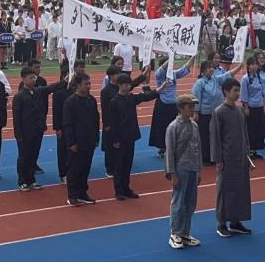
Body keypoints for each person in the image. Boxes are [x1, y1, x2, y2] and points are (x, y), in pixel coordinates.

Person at [107, 73, 166, 200]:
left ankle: (126, 188)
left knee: (128, 164)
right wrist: (115, 140)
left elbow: (144, 97)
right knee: (119, 165)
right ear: (119, 85)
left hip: (130, 136)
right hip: (119, 138)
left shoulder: (131, 98)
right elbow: (113, 123)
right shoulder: (114, 102)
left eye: (129, 84)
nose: (127, 86)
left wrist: (158, 90)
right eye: (125, 84)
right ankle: (118, 190)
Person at [210, 77, 253, 238]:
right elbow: (215, 137)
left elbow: (245, 134)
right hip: (227, 159)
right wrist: (218, 159)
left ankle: (236, 221)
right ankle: (221, 224)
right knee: (225, 191)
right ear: (226, 92)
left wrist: (247, 152)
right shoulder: (219, 112)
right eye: (235, 90)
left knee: (241, 190)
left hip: (240, 157)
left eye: (238, 90)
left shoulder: (240, 110)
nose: (237, 93)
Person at [12, 66, 65, 191]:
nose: (33, 80)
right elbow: (16, 118)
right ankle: (22, 181)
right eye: (30, 77)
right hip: (25, 132)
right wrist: (18, 135)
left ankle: (31, 180)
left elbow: (51, 88)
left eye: (34, 77)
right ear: (23, 79)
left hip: (38, 130)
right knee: (24, 157)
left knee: (34, 156)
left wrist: (65, 81)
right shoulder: (19, 96)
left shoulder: (38, 91)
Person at [191, 55, 242, 166]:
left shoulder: (215, 79)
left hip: (217, 112)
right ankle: (205, 157)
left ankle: (215, 156)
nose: (211, 69)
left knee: (216, 135)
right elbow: (196, 98)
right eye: (208, 68)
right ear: (203, 70)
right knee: (205, 136)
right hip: (205, 114)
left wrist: (239, 67)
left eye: (212, 67)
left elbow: (227, 75)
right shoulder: (200, 83)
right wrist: (196, 112)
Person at [165, 93, 201, 249]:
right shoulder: (173, 127)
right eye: (189, 107)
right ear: (180, 109)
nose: (192, 109)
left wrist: (199, 169)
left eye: (193, 106)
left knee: (190, 203)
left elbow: (198, 149)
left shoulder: (194, 126)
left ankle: (185, 233)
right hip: (180, 169)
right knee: (178, 203)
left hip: (193, 168)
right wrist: (172, 174)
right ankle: (175, 234)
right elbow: (170, 152)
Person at [62, 72, 100, 206]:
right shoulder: (70, 102)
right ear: (78, 85)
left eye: (89, 83)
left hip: (89, 140)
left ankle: (82, 193)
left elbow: (96, 120)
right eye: (86, 84)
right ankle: (72, 195)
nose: (89, 86)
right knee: (74, 169)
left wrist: (96, 137)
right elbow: (67, 124)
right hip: (76, 142)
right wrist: (71, 142)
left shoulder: (91, 100)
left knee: (85, 168)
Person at [149, 54, 196, 157]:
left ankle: (173, 146)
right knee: (163, 126)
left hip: (174, 104)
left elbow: (184, 68)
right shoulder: (159, 74)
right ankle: (163, 148)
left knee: (175, 126)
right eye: (170, 64)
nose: (171, 66)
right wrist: (171, 57)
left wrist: (192, 58)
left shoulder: (173, 74)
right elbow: (163, 68)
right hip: (163, 103)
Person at [240, 55, 265, 158]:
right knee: (250, 129)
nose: (255, 66)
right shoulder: (245, 79)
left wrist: (263, 105)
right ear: (248, 66)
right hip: (250, 107)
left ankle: (255, 149)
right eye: (253, 64)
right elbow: (244, 94)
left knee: (258, 128)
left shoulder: (259, 77)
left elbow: (262, 92)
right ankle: (249, 150)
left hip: (259, 106)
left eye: (256, 64)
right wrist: (246, 107)